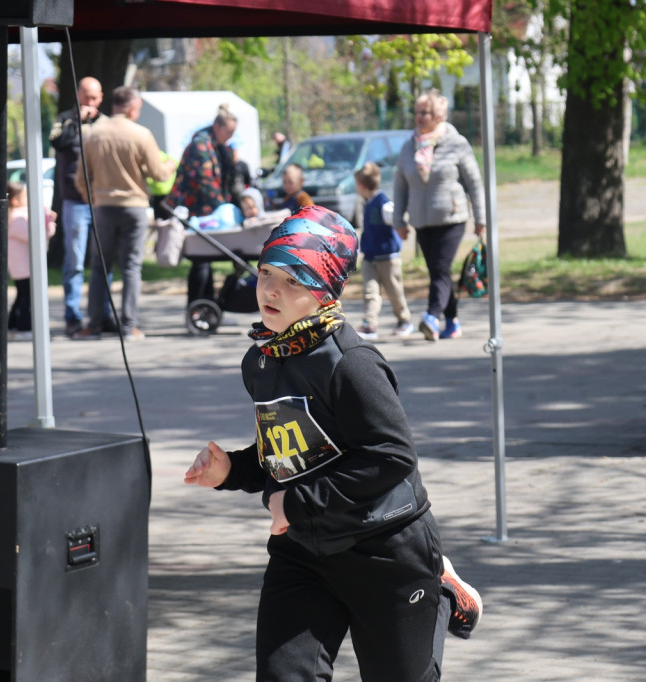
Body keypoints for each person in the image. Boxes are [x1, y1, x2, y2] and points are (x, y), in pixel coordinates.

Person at [184, 205, 481, 680]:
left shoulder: (353, 364)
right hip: (303, 552)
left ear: (324, 292)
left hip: (384, 549)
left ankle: (440, 590)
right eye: (265, 273)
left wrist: (295, 504)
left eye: (292, 281)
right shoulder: (260, 360)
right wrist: (231, 472)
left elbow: (391, 457)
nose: (270, 290)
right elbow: (286, 456)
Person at [73, 85, 174, 341]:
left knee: (99, 267)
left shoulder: (92, 134)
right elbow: (158, 173)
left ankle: (93, 324)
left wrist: (92, 199)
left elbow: (80, 178)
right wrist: (171, 163)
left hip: (103, 206)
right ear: (131, 108)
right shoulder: (141, 134)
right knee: (131, 268)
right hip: (134, 207)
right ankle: (129, 326)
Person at [392, 89, 485, 342]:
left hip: (451, 218)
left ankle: (432, 317)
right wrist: (398, 220)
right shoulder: (408, 147)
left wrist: (481, 218)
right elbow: (400, 186)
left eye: (426, 112)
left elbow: (474, 182)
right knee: (437, 272)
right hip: (422, 221)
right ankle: (452, 322)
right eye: (418, 112)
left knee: (441, 269)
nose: (420, 117)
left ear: (439, 115)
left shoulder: (457, 143)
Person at [50, 75, 111, 337]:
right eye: (86, 96)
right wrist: (77, 119)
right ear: (78, 95)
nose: (91, 102)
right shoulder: (65, 120)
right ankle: (72, 316)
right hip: (74, 201)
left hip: (101, 201)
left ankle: (102, 314)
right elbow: (57, 142)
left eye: (95, 98)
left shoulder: (107, 124)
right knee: (75, 261)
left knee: (103, 261)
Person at [167, 103, 239, 305]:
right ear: (217, 127)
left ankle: (207, 305)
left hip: (208, 212)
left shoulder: (217, 146)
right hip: (198, 212)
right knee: (201, 260)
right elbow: (205, 184)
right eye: (229, 132)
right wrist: (225, 210)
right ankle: (197, 306)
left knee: (206, 260)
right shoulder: (200, 146)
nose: (231, 137)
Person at [354, 161, 414, 340]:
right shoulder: (367, 202)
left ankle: (404, 320)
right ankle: (369, 324)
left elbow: (395, 217)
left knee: (394, 291)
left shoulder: (383, 203)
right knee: (370, 291)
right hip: (370, 257)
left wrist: (401, 225)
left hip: (388, 258)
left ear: (362, 186)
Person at [6, 181, 56, 341]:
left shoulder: (15, 215)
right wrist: (49, 223)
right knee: (27, 298)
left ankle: (12, 325)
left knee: (22, 295)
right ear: (15, 200)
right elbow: (36, 236)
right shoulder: (17, 217)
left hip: (19, 265)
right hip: (24, 266)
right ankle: (24, 327)